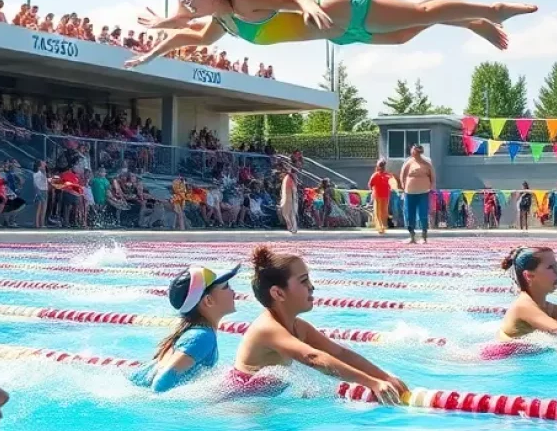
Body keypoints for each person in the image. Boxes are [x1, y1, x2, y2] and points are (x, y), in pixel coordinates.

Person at [123, 0, 534, 71]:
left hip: (334, 8)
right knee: (407, 33)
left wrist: (308, 7)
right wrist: (151, 51)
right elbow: (189, 37)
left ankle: (491, 10)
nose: (188, 3)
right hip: (338, 32)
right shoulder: (223, 19)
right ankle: (467, 22)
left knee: (419, 11)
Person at [230, 247, 409, 398]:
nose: (311, 286)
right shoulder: (267, 328)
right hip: (241, 402)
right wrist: (371, 383)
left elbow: (340, 353)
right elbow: (313, 358)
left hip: (262, 399)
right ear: (278, 293)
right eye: (303, 280)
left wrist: (384, 377)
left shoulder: (299, 327)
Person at [130, 266, 239, 391]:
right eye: (226, 287)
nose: (233, 291)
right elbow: (160, 384)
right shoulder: (202, 337)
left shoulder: (197, 333)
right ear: (208, 300)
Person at [399, 144, 434, 244]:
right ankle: (412, 236)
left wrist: (431, 187)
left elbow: (432, 176)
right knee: (410, 215)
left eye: (417, 151)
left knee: (423, 214)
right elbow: (402, 175)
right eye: (414, 150)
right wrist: (403, 187)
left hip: (423, 192)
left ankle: (424, 236)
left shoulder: (427, 163)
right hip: (410, 193)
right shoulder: (408, 163)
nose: (415, 153)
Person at [368, 159, 395, 235]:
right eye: (381, 166)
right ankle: (380, 227)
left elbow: (393, 184)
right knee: (378, 212)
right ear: (378, 166)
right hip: (377, 196)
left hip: (385, 196)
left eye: (383, 166)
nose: (382, 167)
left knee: (384, 212)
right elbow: (370, 184)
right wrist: (371, 191)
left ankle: (383, 226)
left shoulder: (388, 175)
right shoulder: (375, 175)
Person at [278, 163, 298, 234]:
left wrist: (294, 198)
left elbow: (294, 189)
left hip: (289, 198)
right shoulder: (287, 178)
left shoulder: (289, 178)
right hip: (287, 198)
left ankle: (293, 227)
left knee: (289, 214)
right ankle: (292, 227)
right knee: (287, 214)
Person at [33, 159, 49, 228]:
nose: (44, 163)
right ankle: (37, 224)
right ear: (39, 165)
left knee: (44, 208)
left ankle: (42, 223)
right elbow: (35, 184)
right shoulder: (36, 173)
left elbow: (45, 181)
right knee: (39, 208)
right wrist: (37, 192)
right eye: (43, 163)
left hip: (44, 190)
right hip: (40, 191)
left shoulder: (43, 171)